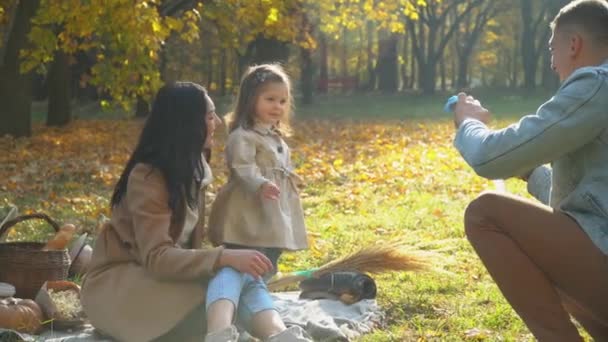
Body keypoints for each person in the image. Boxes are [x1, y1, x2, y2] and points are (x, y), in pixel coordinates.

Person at [80, 82, 302, 342]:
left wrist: (225, 260)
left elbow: (187, 253)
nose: (217, 122)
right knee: (228, 274)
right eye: (209, 116)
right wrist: (223, 258)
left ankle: (277, 336)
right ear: (185, 124)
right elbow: (157, 258)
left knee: (236, 276)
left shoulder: (192, 168)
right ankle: (229, 334)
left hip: (159, 279)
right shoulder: (148, 177)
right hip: (121, 287)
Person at [452, 0, 608, 340]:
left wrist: (468, 123)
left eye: (553, 50)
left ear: (573, 45)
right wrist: (530, 172)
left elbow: (489, 158)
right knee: (545, 243)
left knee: (485, 213)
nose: (553, 63)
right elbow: (591, 195)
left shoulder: (597, 84)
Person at [205, 64, 309, 340]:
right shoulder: (243, 136)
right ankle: (222, 327)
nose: (278, 106)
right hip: (247, 214)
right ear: (251, 99)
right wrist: (261, 183)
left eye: (283, 101)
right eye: (270, 99)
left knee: (259, 271)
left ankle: (262, 324)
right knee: (238, 266)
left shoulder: (274, 137)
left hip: (272, 214)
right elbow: (242, 168)